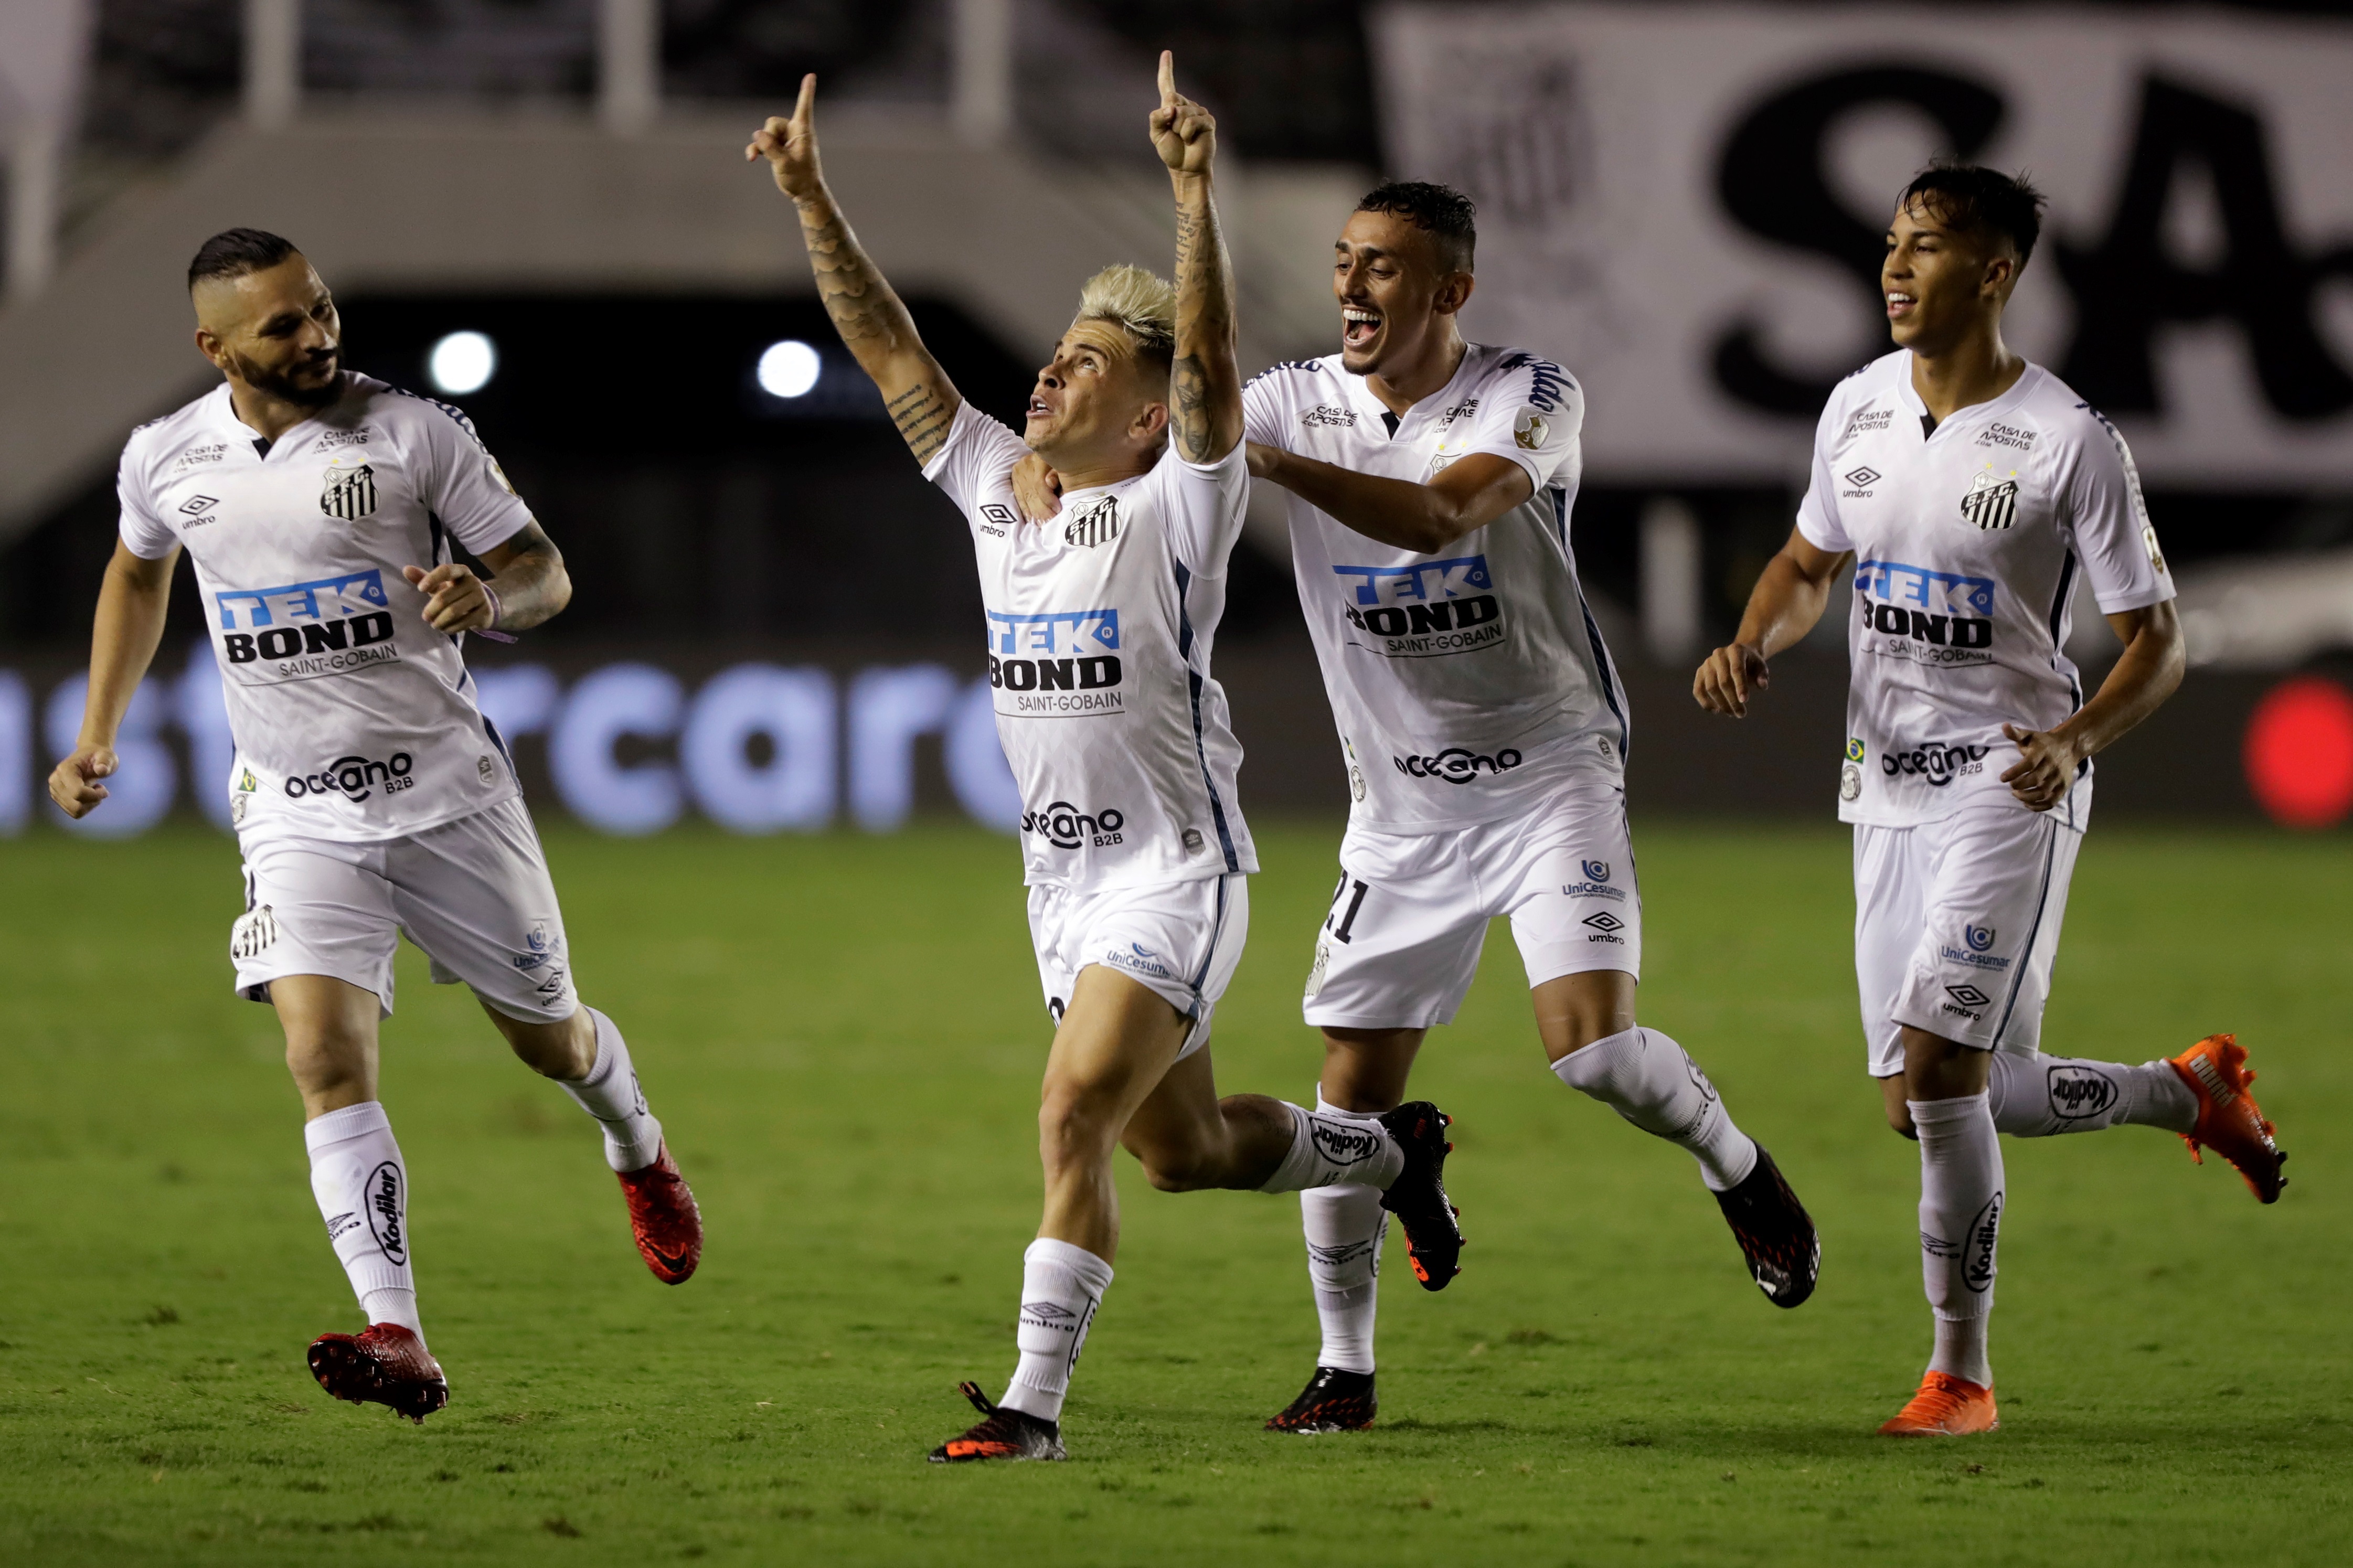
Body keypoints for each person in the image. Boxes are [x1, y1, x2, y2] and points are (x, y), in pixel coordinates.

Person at [747, 57, 1465, 1464]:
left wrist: (1192, 191)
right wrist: (810, 198)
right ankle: (1387, 1150)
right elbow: (891, 348)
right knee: (1178, 1151)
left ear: (1145, 415)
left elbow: (1205, 374)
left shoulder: (1177, 500)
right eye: (1053, 350)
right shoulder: (993, 495)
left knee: (1071, 1108)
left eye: (1083, 360)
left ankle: (1030, 1409)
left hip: (1172, 872)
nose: (1048, 367)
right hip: (1059, 890)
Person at [1018, 180, 1821, 1436]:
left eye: (1385, 268)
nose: (1352, 286)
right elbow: (1176, 406)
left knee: (1595, 1052)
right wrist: (1038, 468)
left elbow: (1445, 513)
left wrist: (1266, 463)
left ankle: (1741, 1170)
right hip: (1398, 806)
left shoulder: (1525, 394)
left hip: (1551, 766)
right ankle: (1345, 1370)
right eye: (1343, 262)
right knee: (1347, 1103)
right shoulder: (1292, 393)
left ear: (1449, 290)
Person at [49, 229, 704, 1424]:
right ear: (215, 348)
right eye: (283, 326)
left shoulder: (414, 435)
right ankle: (398, 1333)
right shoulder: (166, 457)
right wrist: (101, 728)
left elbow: (544, 571)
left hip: (450, 797)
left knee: (549, 1043)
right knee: (322, 1057)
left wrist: (489, 596)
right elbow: (138, 572)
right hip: (294, 809)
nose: (317, 337)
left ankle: (637, 1144)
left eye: (322, 309)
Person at [1694, 164, 2286, 1438]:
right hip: (1881, 789)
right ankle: (2181, 1094)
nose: (1894, 268)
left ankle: (1957, 1375)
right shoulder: (1853, 406)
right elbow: (1808, 561)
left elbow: (2157, 641)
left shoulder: (2067, 439)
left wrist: (2073, 741)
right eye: (1890, 245)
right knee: (1927, 1097)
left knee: (1944, 1071)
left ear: (1995, 273)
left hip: (2008, 779)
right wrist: (1755, 636)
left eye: (1924, 247)